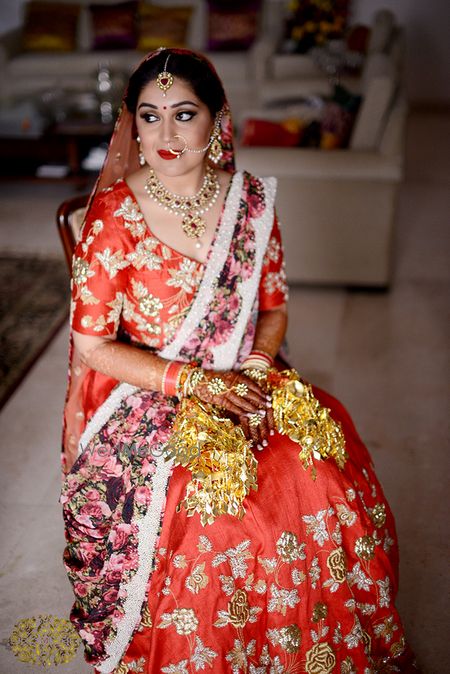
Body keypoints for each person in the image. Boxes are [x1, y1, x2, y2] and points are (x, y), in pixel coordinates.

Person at [61, 48, 419, 674]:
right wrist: (197, 383)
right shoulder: (113, 217)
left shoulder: (249, 200)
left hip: (243, 368)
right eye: (149, 117)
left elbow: (275, 306)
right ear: (132, 125)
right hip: (153, 390)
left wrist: (254, 367)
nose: (165, 135)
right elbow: (93, 347)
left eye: (183, 114)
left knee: (319, 474)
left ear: (216, 120)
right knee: (216, 511)